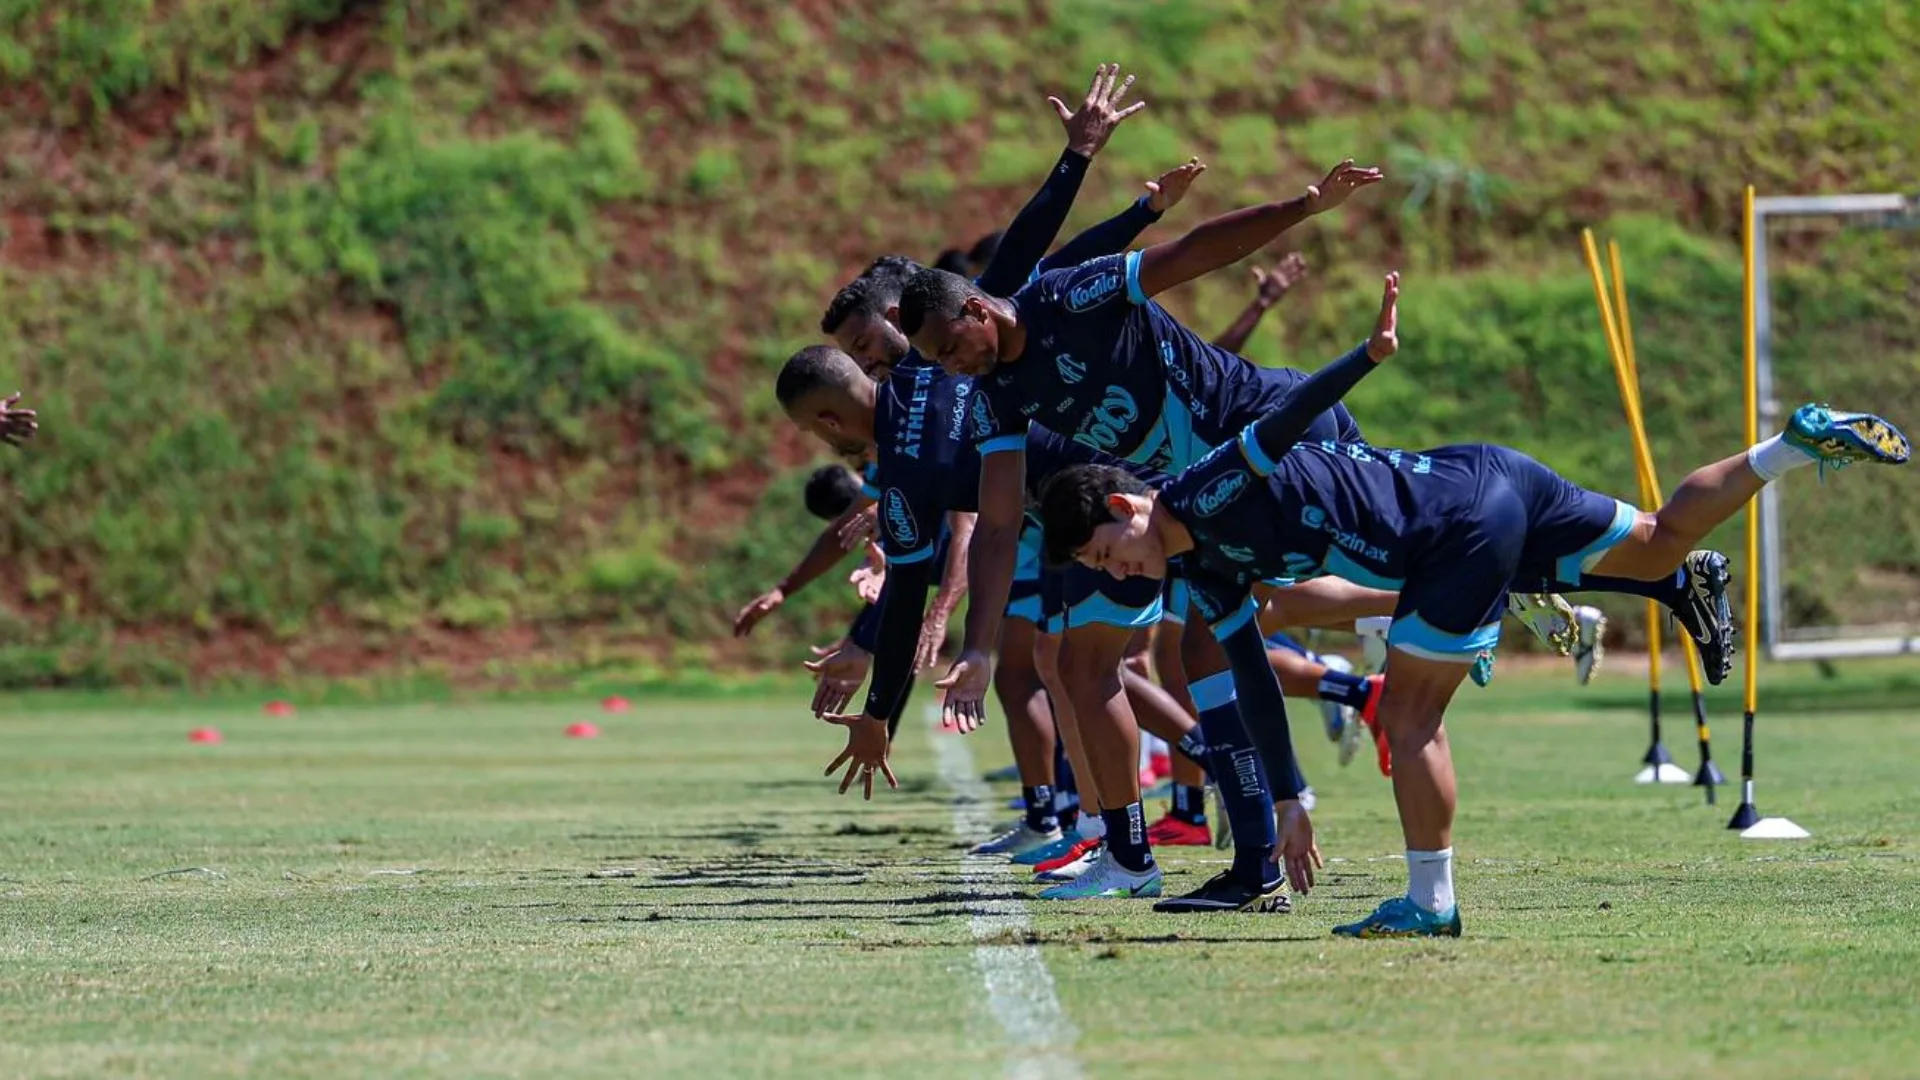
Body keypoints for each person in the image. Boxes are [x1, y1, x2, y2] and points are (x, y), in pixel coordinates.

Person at [1035, 269, 1911, 936]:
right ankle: (1788, 448)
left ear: (1126, 506)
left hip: (1454, 532)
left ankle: (1431, 901)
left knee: (1410, 718)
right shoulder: (1209, 572)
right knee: (1656, 542)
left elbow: (1282, 420)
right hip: (1490, 472)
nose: (1116, 574)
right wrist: (1293, 798)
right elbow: (1255, 680)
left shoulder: (1202, 491)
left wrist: (1366, 358)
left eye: (1108, 555)